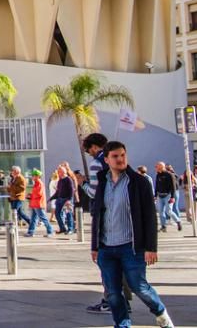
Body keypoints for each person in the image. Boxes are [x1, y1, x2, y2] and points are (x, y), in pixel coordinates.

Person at [92, 141, 175, 328]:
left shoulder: (138, 182)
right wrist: (95, 246)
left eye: (122, 155)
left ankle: (160, 313)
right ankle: (122, 324)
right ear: (107, 160)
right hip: (106, 247)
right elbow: (98, 214)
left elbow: (149, 216)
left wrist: (151, 247)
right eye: (115, 156)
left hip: (131, 246)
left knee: (139, 287)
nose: (120, 159)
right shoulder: (103, 182)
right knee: (113, 293)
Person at [82, 132, 114, 315]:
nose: (89, 154)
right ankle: (118, 300)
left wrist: (82, 183)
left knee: (105, 259)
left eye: (89, 150)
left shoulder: (97, 163)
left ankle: (111, 301)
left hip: (103, 213)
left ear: (94, 147)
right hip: (118, 212)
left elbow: (94, 192)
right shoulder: (113, 160)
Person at [153, 162, 182, 232]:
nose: (156, 168)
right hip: (160, 196)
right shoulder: (158, 175)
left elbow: (173, 187)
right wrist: (155, 196)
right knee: (160, 212)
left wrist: (172, 197)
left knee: (168, 211)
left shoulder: (169, 175)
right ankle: (163, 226)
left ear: (161, 167)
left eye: (157, 167)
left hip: (168, 195)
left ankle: (178, 221)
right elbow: (157, 185)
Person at [25, 169, 53, 237]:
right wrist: (30, 195)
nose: (32, 177)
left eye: (33, 176)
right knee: (33, 219)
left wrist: (31, 195)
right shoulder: (36, 183)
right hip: (35, 203)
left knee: (43, 218)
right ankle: (30, 232)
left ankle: (50, 231)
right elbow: (36, 193)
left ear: (37, 176)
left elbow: (39, 194)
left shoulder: (39, 183)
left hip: (38, 204)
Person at [53, 166, 76, 234]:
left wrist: (69, 200)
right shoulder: (60, 180)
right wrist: (52, 198)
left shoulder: (68, 179)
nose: (58, 173)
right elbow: (58, 191)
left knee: (68, 214)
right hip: (59, 199)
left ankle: (70, 229)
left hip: (67, 200)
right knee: (57, 213)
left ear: (63, 172)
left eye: (59, 171)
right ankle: (62, 228)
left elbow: (71, 190)